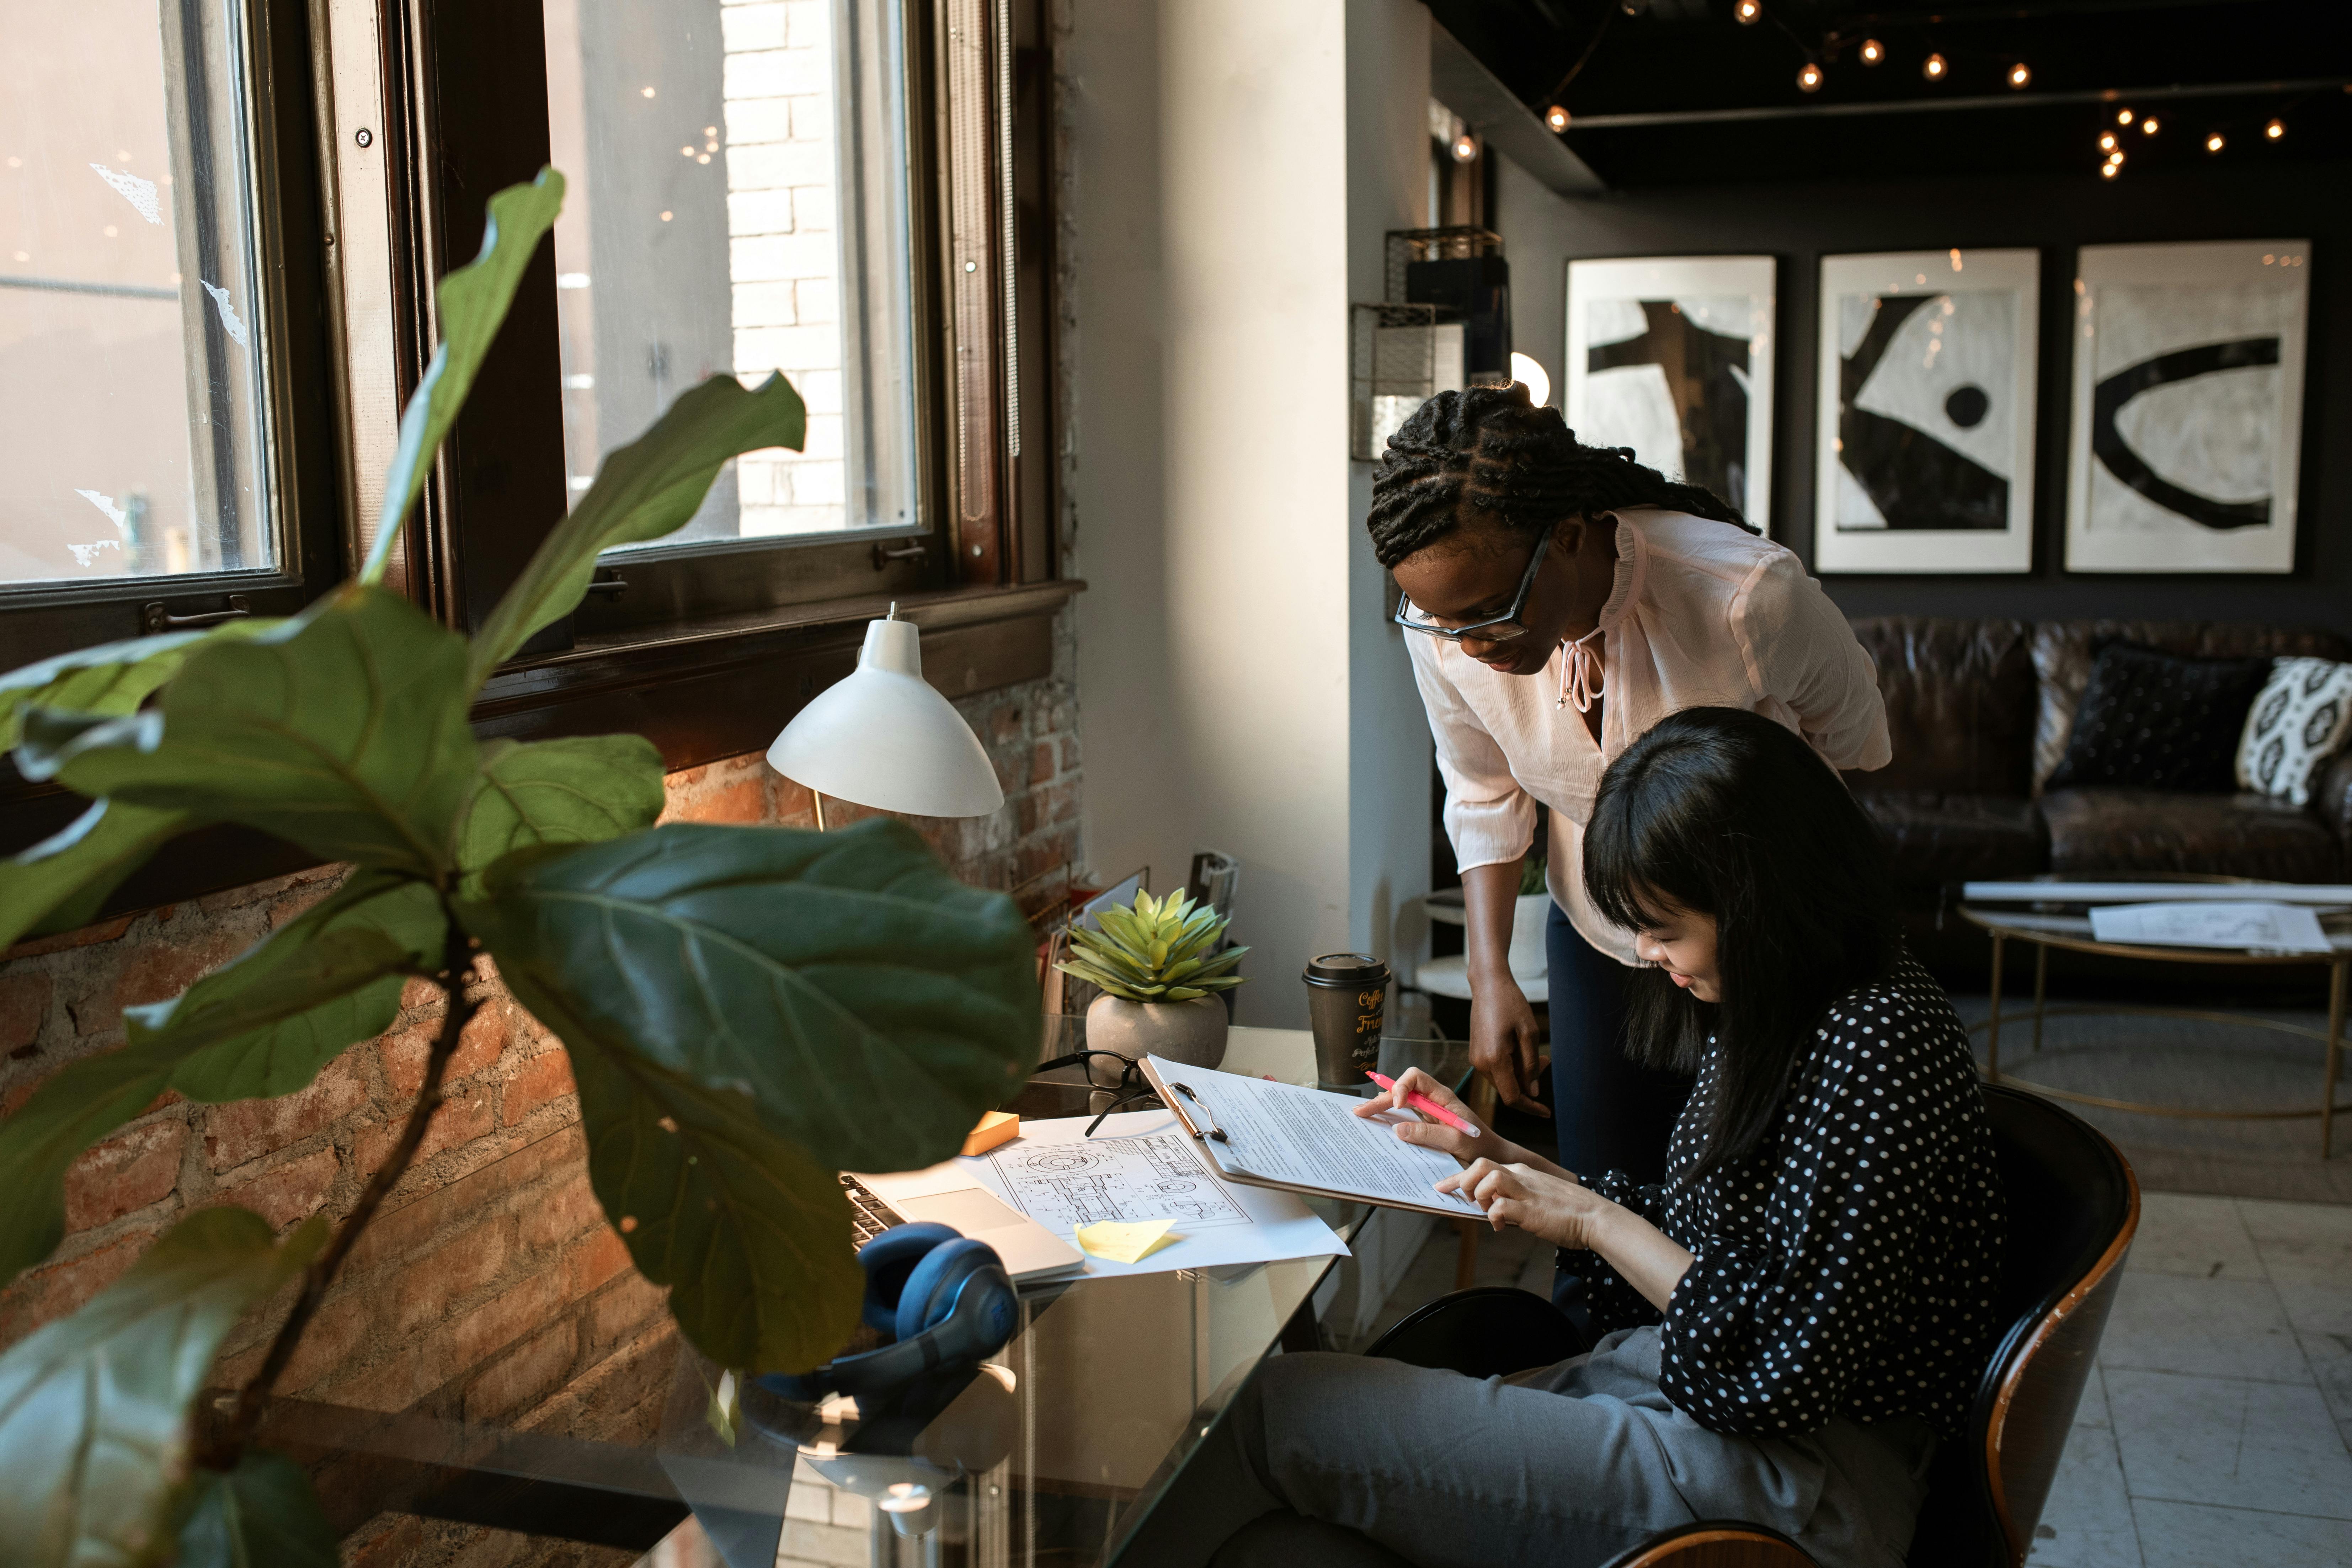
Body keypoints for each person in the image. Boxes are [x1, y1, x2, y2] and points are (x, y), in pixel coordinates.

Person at [1177, 707, 2005, 1568]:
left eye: (1664, 926)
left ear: (1758, 898)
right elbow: (1716, 1242)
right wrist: (1501, 1160)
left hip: (1794, 1478)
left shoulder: (1874, 1045)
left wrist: (1590, 1222)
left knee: (1277, 1413)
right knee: (1285, 1537)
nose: (1645, 952)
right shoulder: (1794, 1000)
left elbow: (1774, 1366)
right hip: (1702, 1402)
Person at [1371, 384, 1890, 1184]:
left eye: (1490, 613)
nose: (1469, 647)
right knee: (1601, 1193)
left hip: (1762, 944)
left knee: (1749, 1206)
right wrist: (1488, 976)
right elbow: (1481, 791)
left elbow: (1854, 743)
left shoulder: (1747, 598)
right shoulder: (1448, 628)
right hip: (1597, 938)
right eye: (1442, 622)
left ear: (1569, 535)